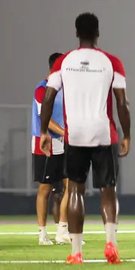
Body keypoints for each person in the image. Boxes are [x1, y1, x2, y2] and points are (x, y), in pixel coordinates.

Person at [39, 12, 131, 264]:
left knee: (76, 191)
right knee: (108, 191)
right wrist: (127, 135)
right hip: (104, 133)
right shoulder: (112, 61)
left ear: (77, 33)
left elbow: (47, 98)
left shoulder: (64, 62)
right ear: (98, 32)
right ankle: (111, 244)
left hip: (75, 134)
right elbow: (122, 103)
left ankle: (76, 252)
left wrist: (45, 131)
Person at [32, 52, 70, 245]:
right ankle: (42, 234)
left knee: (70, 186)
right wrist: (65, 132)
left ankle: (62, 231)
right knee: (45, 189)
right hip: (44, 143)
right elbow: (44, 119)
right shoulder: (41, 89)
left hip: (63, 143)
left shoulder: (65, 89)